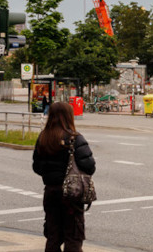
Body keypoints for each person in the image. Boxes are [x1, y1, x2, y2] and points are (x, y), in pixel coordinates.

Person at [33, 101, 96, 252]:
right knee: (73, 236)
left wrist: (51, 174)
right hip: (71, 194)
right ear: (69, 116)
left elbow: (36, 166)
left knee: (53, 236)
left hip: (51, 192)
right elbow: (90, 166)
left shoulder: (43, 138)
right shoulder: (74, 138)